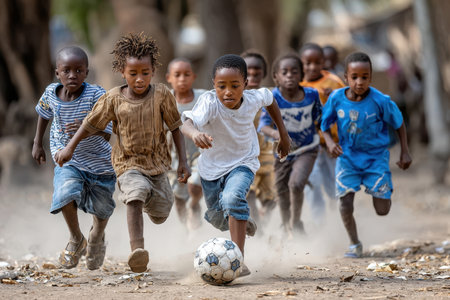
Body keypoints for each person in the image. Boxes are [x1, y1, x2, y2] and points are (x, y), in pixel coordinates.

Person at [55, 33, 190, 272]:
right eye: (133, 73)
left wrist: (183, 162)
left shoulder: (162, 96)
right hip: (127, 163)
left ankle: (148, 197)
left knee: (161, 213)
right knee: (134, 194)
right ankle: (137, 251)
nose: (140, 79)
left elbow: (176, 128)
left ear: (153, 71)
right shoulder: (114, 99)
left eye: (145, 73)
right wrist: (69, 148)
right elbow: (89, 124)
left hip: (158, 164)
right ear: (122, 72)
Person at [181, 54, 290, 276]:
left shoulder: (252, 98)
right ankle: (243, 219)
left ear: (246, 84)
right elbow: (186, 122)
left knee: (232, 200)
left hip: (244, 161)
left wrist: (283, 134)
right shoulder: (210, 103)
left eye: (234, 86)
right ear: (214, 85)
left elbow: (270, 100)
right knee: (218, 218)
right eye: (222, 86)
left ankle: (238, 261)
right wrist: (195, 134)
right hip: (211, 167)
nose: (228, 92)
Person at [321, 52, 412, 258]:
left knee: (382, 210)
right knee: (344, 203)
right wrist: (329, 143)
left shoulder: (381, 101)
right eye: (354, 77)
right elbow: (324, 126)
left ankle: (380, 190)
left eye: (365, 77)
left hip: (375, 158)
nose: (359, 82)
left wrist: (405, 152)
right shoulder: (336, 98)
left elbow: (399, 124)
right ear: (346, 77)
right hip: (347, 158)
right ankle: (354, 243)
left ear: (370, 77)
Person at [32, 46, 116, 270]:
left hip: (99, 161)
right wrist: (37, 143)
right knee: (64, 192)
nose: (72, 75)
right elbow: (43, 113)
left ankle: (97, 236)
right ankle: (77, 238)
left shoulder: (96, 95)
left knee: (102, 208)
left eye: (79, 70)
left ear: (87, 72)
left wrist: (87, 127)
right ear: (57, 72)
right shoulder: (51, 92)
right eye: (66, 70)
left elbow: (108, 133)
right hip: (67, 158)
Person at [259, 53, 322, 238]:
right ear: (276, 77)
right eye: (284, 72)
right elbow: (263, 126)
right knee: (281, 190)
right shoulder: (272, 97)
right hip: (282, 152)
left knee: (296, 184)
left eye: (294, 72)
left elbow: (320, 117)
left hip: (307, 149)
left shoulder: (311, 95)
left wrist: (328, 139)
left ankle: (296, 224)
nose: (289, 76)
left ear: (301, 75)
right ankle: (286, 225)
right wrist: (279, 135)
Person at [299, 43, 345, 226]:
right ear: (301, 63)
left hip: (333, 143)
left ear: (323, 62)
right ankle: (319, 224)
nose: (312, 67)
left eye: (317, 62)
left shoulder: (333, 82)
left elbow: (348, 103)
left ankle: (342, 219)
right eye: (307, 63)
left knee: (335, 183)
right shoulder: (299, 84)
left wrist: (334, 95)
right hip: (309, 145)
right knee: (312, 183)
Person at [166, 58, 206, 231]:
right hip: (173, 156)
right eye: (177, 75)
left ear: (193, 76)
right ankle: (186, 227)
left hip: (199, 153)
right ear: (169, 78)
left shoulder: (203, 97)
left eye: (186, 74)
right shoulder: (165, 100)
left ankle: (194, 205)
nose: (182, 79)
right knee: (179, 196)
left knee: (195, 185)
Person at [240, 50, 276, 229]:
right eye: (248, 70)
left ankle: (265, 224)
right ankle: (258, 231)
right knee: (249, 193)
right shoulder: (235, 99)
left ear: (264, 73)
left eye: (257, 70)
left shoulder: (269, 97)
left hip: (267, 155)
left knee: (271, 198)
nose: (253, 74)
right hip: (245, 157)